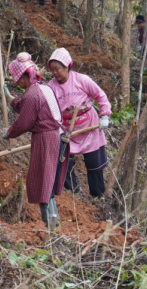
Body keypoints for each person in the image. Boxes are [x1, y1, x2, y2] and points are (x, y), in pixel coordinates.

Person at [3, 52, 68, 228]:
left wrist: (8, 133)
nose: (16, 83)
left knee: (44, 183)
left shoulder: (33, 94)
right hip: (57, 136)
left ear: (24, 76)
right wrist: (11, 100)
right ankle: (53, 224)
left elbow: (24, 122)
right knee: (47, 184)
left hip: (47, 140)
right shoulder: (43, 87)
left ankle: (50, 226)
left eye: (17, 79)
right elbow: (26, 106)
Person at [46, 48, 112, 198]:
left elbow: (100, 96)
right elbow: (47, 108)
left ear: (67, 66)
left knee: (94, 164)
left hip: (89, 127)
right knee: (64, 159)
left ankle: (98, 196)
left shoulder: (82, 80)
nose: (55, 73)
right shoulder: (51, 87)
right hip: (68, 130)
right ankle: (72, 194)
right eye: (52, 69)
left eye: (58, 69)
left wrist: (105, 115)